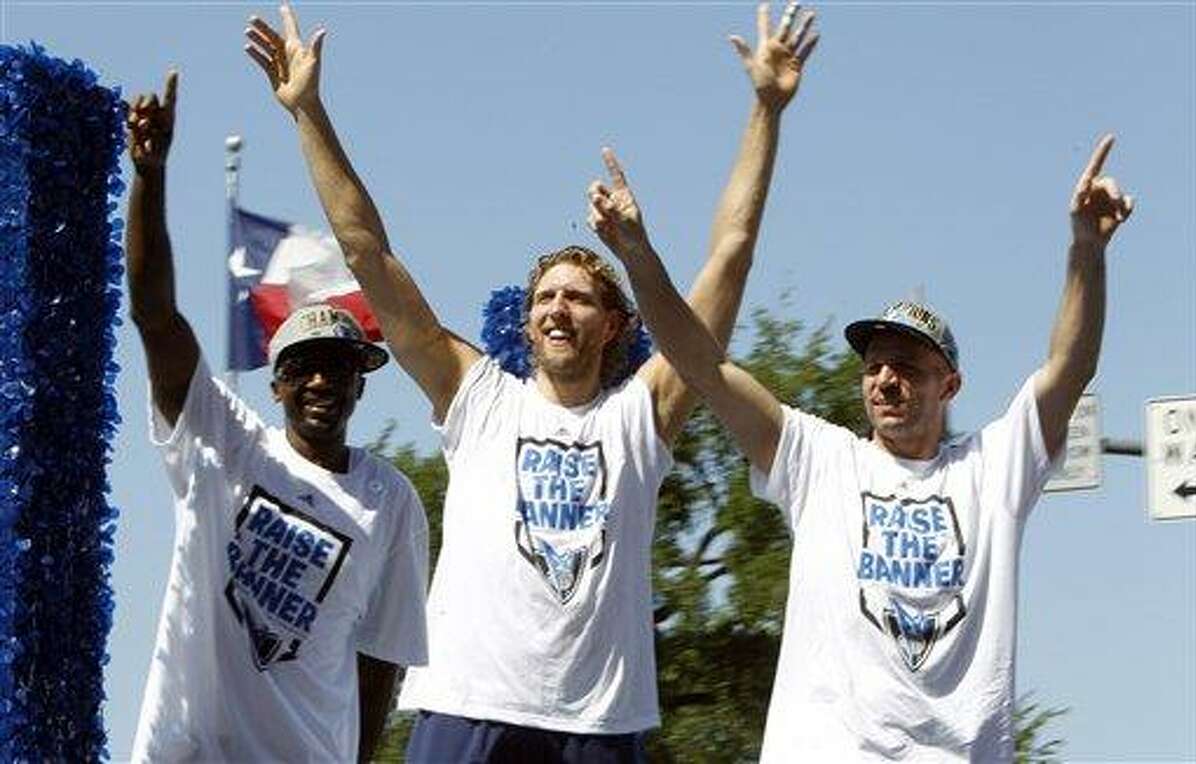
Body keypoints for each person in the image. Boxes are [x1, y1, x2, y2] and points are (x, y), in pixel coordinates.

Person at [244, 2, 817, 759]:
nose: (557, 307)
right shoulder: (478, 398)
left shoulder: (640, 415)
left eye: (579, 296)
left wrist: (766, 111)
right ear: (524, 322)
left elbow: (730, 259)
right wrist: (308, 112)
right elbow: (367, 252)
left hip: (600, 727)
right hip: (467, 705)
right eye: (544, 296)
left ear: (613, 324)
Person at [591, 133, 1133, 760]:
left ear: (949, 385)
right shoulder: (819, 460)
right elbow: (704, 367)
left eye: (906, 365)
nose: (885, 379)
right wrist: (637, 257)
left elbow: (1069, 368)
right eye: (874, 365)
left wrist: (1087, 251)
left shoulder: (993, 471)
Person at [125, 70, 429, 763]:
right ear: (278, 386)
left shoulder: (392, 501)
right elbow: (155, 316)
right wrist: (151, 176)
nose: (321, 379)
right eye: (302, 367)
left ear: (360, 385)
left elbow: (383, 659)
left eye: (339, 367)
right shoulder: (225, 446)